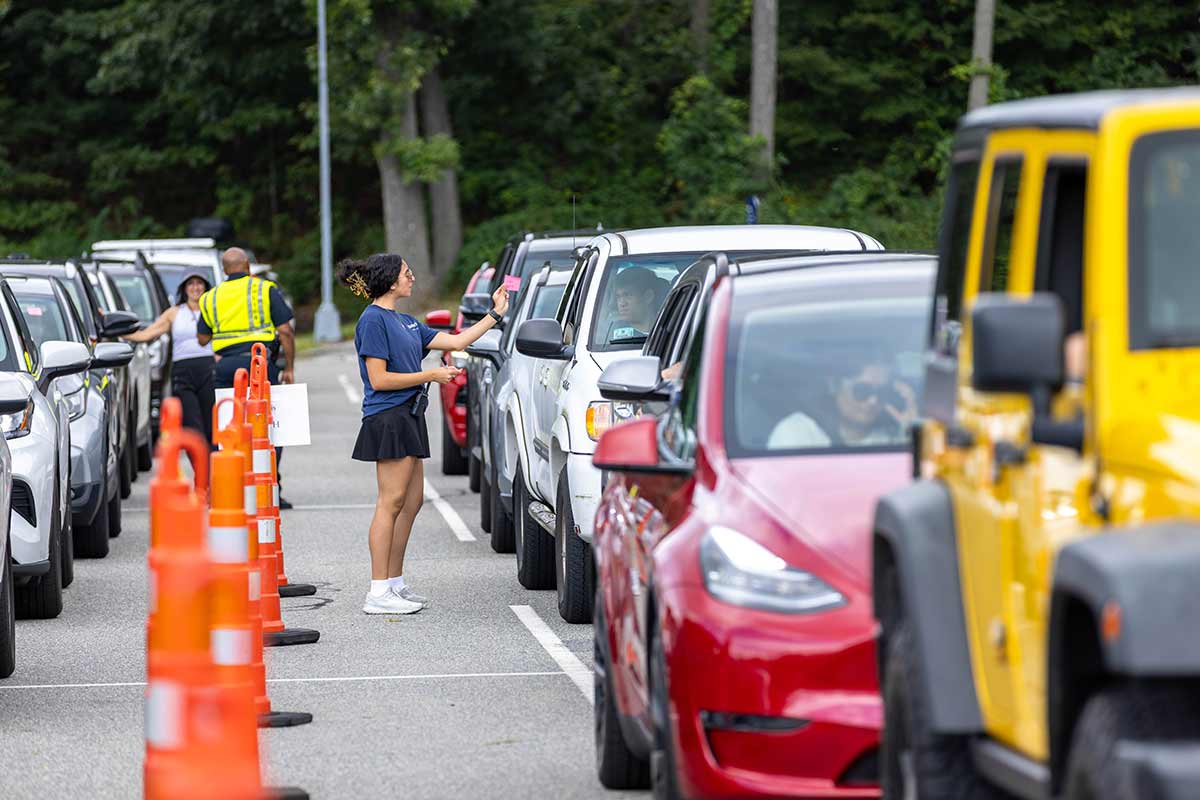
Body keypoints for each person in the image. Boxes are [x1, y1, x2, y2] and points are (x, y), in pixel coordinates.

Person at [337, 253, 508, 615]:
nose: (412, 278)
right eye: (406, 274)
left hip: (410, 415)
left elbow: (458, 342)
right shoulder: (372, 321)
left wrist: (495, 315)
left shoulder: (407, 322)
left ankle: (394, 584)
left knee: (411, 503)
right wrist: (430, 375)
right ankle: (377, 591)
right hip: (388, 418)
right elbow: (380, 380)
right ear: (390, 281)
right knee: (390, 502)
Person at [196, 247, 296, 505]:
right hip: (261, 365)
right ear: (248, 267)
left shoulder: (210, 297)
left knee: (228, 426)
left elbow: (202, 337)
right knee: (268, 426)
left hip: (227, 368)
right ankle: (271, 487)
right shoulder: (264, 289)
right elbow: (285, 330)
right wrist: (289, 367)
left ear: (224, 270)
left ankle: (234, 489)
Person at [122, 272, 216, 441]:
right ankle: (200, 464)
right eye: (191, 284)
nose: (195, 288)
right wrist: (120, 333)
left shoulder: (212, 310)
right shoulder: (174, 313)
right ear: (185, 289)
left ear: (205, 287)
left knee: (211, 421)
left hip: (208, 368)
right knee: (191, 423)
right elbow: (146, 334)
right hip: (183, 371)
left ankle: (212, 464)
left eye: (199, 283)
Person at [767, 359, 918, 449]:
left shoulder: (892, 439)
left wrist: (912, 430)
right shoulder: (797, 432)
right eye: (862, 390)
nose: (873, 400)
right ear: (835, 386)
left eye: (881, 392)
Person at [611, 267, 661, 333]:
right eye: (618, 297)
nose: (622, 303)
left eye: (628, 295)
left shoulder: (673, 330)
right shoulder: (611, 334)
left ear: (648, 297)